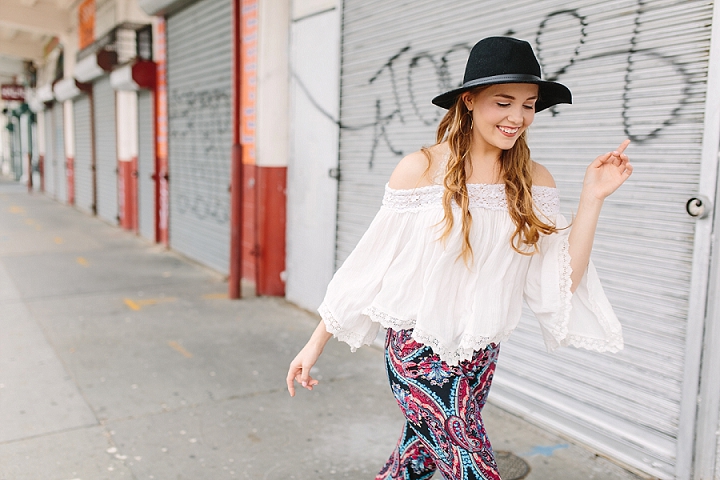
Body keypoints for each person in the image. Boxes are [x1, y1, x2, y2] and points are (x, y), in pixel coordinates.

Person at [286, 36, 632, 480]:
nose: (517, 117)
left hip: (481, 354)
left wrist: (592, 197)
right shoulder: (420, 169)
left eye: (528, 105)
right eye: (503, 102)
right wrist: (315, 344)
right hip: (418, 352)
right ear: (468, 101)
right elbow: (371, 265)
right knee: (474, 470)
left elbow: (561, 280)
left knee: (414, 461)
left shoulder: (533, 180)